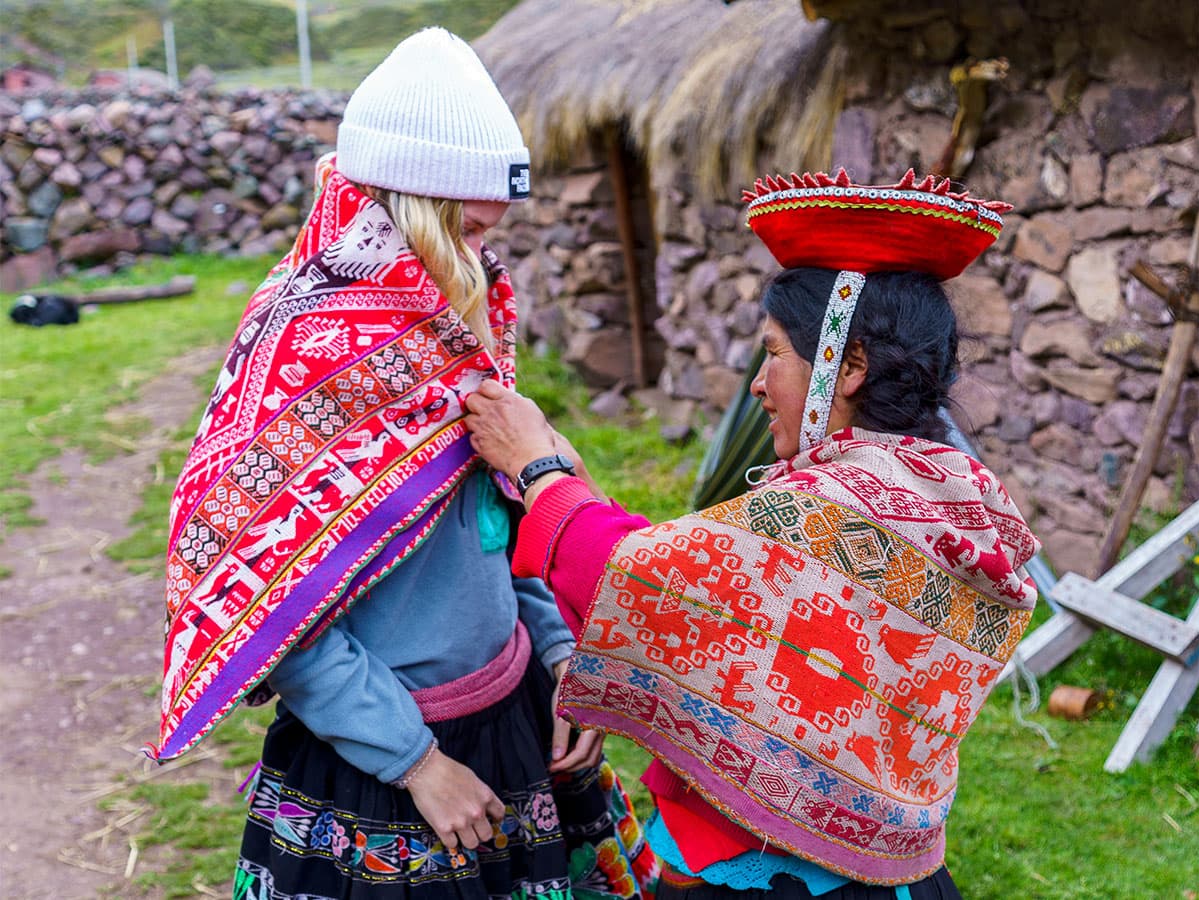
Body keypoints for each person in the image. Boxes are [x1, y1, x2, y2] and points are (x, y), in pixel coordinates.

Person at [148, 28, 656, 900]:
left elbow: (495, 529)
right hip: (382, 766)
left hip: (511, 716)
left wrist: (561, 656)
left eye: (490, 234)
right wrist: (416, 763)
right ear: (408, 207)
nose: (483, 257)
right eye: (464, 228)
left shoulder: (452, 326)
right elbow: (270, 597)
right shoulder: (308, 343)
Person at [464, 169, 1041, 899]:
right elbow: (704, 582)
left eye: (772, 354)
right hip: (899, 873)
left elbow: (634, 578)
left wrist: (537, 467)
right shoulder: (948, 488)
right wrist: (573, 478)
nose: (758, 384)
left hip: (774, 877)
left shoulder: (825, 507)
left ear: (849, 364)